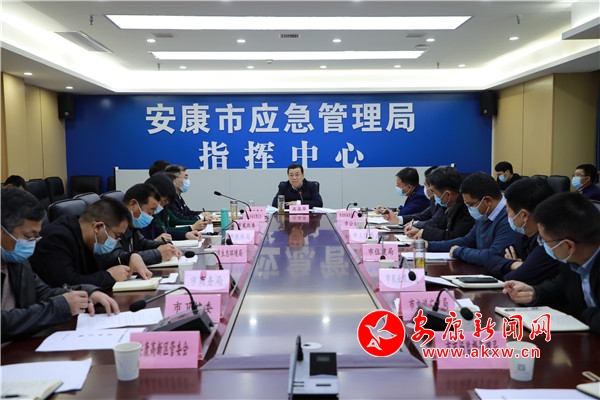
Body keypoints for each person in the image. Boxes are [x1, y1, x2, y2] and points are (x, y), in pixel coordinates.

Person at [1, 188, 119, 343]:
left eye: (35, 238)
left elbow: (43, 292)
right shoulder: (19, 251)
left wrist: (86, 292)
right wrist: (58, 308)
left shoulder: (16, 259)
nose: (31, 244)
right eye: (28, 236)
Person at [503, 192, 600, 334]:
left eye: (544, 240)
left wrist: (584, 313)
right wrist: (534, 293)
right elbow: (560, 286)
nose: (542, 245)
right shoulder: (573, 259)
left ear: (568, 246)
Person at [29, 198, 151, 290]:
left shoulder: (89, 238)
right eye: (117, 236)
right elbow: (67, 284)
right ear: (98, 227)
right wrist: (109, 276)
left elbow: (107, 260)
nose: (116, 241)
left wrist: (131, 256)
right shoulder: (56, 238)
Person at [425, 172, 517, 266]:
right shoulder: (484, 213)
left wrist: (459, 251)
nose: (469, 209)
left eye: (470, 205)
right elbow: (468, 240)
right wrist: (429, 245)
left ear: (487, 200)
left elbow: (494, 256)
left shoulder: (510, 218)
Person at [484, 178, 561, 284]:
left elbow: (514, 279)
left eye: (508, 212)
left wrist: (517, 268)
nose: (507, 216)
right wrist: (515, 265)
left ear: (524, 215)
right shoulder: (524, 236)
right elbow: (490, 261)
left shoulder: (549, 244)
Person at [98, 183, 181, 269]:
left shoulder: (131, 225)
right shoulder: (110, 223)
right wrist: (158, 254)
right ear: (133, 204)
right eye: (149, 212)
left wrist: (166, 246)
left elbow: (143, 244)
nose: (150, 217)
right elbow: (116, 257)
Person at [404, 166, 474, 241]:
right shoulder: (447, 204)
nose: (433, 196)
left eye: (433, 191)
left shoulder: (468, 209)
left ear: (447, 194)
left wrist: (426, 234)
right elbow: (439, 224)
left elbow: (454, 237)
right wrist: (420, 230)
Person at [138, 173, 204, 242]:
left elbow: (160, 231)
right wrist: (191, 227)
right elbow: (140, 246)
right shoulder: (139, 217)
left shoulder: (152, 213)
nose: (162, 207)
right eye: (162, 202)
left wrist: (185, 234)